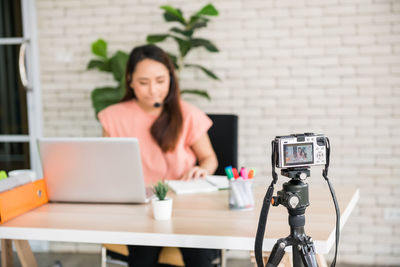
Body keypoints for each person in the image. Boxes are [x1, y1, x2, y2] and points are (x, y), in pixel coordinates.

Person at [98, 44, 218, 267]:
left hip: (186, 206)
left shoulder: (188, 114)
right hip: (140, 208)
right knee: (142, 258)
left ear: (171, 79)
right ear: (130, 81)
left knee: (199, 258)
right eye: (144, 82)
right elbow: (109, 167)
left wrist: (203, 169)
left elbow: (209, 159)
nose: (153, 90)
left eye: (160, 81)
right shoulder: (112, 117)